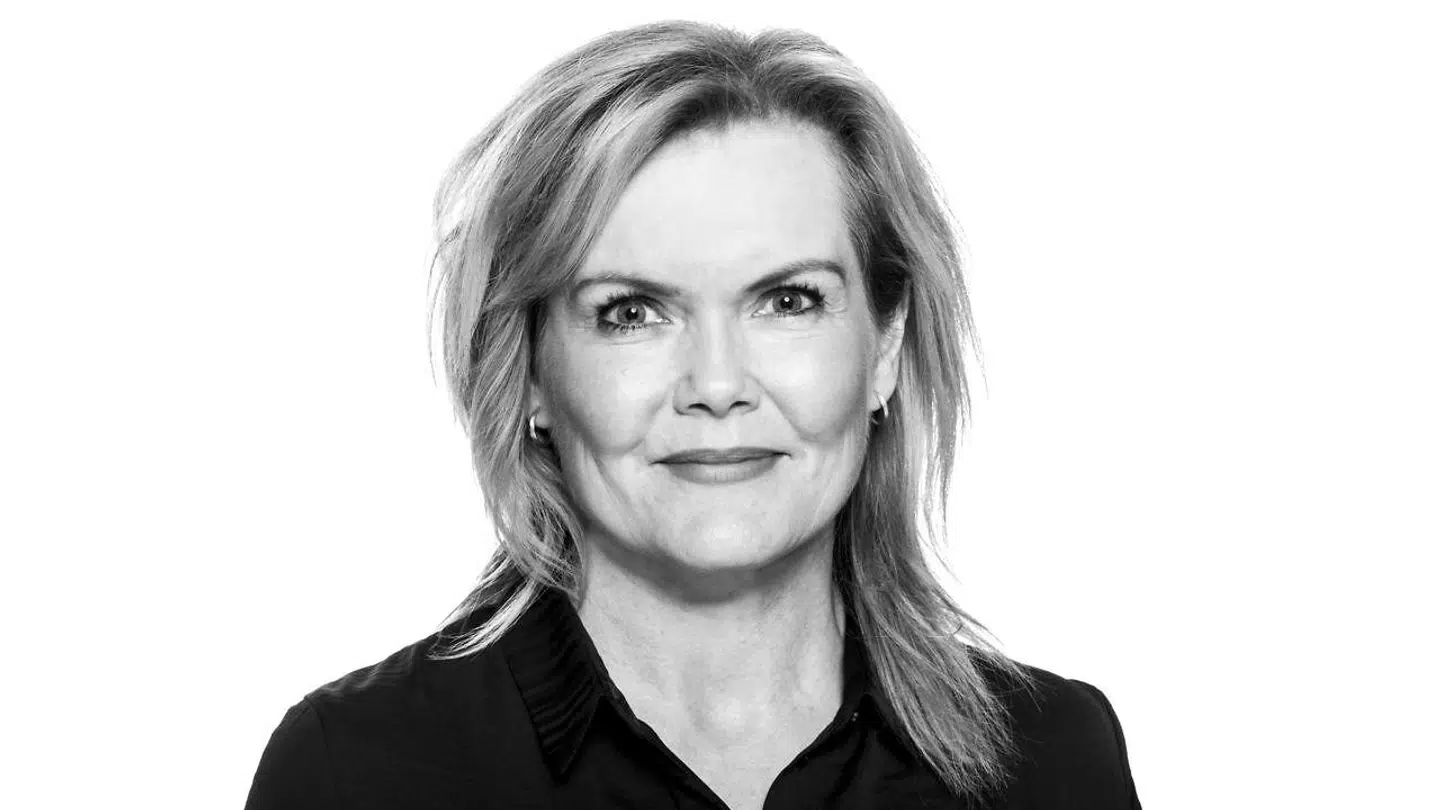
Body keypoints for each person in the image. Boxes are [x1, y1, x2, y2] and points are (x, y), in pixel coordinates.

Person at [244, 20, 1141, 810]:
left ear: (885, 347)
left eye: (787, 301)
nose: (716, 384)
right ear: (529, 372)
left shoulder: (1055, 761)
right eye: (632, 312)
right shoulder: (354, 774)